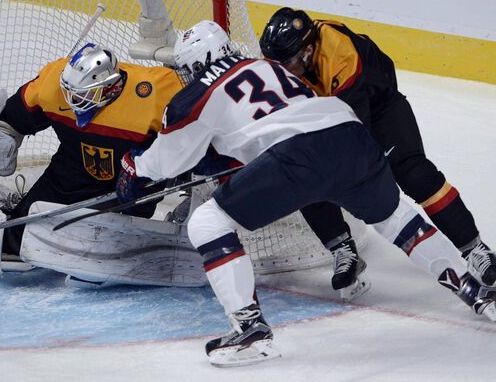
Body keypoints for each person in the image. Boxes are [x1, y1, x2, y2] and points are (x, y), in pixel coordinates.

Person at [115, 20, 496, 367]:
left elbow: (167, 162)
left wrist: (134, 168)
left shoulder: (198, 92)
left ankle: (250, 330)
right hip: (351, 135)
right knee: (395, 218)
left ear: (197, 62)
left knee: (207, 222)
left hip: (298, 156)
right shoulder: (269, 67)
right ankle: (476, 291)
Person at [258, 8, 496, 297]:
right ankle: (342, 249)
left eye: (286, 64)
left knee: (414, 175)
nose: (280, 72)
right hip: (328, 111)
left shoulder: (339, 55)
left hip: (379, 109)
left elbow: (352, 131)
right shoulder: (283, 61)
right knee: (304, 174)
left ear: (308, 51)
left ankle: (475, 249)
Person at [0, 42, 207, 288]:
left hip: (134, 177)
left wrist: (192, 184)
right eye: (70, 92)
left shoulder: (159, 91)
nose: (73, 100)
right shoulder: (53, 81)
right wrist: (3, 136)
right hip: (73, 169)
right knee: (15, 239)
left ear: (110, 88)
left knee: (122, 243)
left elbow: (203, 132)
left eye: (83, 95)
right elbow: (14, 116)